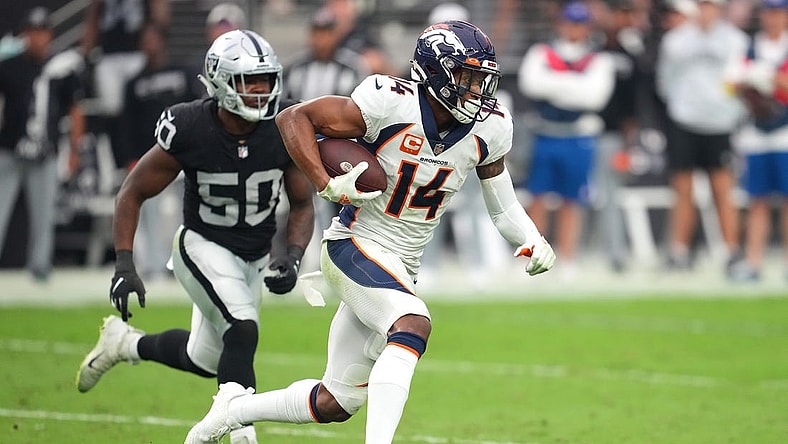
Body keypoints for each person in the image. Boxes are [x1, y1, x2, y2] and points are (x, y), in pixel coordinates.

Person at [185, 20, 556, 444]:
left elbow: (503, 205)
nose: (476, 91)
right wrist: (324, 183)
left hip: (402, 264)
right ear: (435, 73)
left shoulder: (492, 127)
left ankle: (232, 410)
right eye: (467, 78)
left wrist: (531, 237)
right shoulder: (388, 101)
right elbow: (293, 118)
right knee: (413, 323)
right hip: (355, 245)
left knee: (335, 402)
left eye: (481, 80)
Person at [75, 30, 315, 444]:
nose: (261, 91)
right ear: (221, 82)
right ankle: (238, 433)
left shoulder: (282, 126)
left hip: (252, 256)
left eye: (266, 79)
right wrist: (124, 263)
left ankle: (123, 344)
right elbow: (133, 191)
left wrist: (293, 257)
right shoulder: (190, 126)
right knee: (242, 328)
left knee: (204, 358)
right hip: (201, 245)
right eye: (249, 81)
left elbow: (303, 203)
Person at [517, 1, 615, 278]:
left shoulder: (599, 59)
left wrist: (555, 83)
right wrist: (574, 84)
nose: (574, 28)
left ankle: (568, 257)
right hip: (546, 132)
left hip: (578, 136)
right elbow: (531, 84)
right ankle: (533, 255)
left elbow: (595, 97)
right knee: (537, 197)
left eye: (579, 23)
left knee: (572, 199)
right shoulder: (542, 52)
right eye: (569, 22)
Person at [656, 0, 748, 273]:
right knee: (683, 189)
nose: (707, 11)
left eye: (712, 6)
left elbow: (739, 80)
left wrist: (727, 111)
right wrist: (682, 106)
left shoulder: (735, 39)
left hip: (720, 123)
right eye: (703, 5)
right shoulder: (676, 40)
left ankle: (732, 252)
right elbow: (665, 81)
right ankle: (679, 251)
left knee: (723, 188)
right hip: (684, 120)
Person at [0, 7, 86, 281]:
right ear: (25, 34)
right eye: (32, 32)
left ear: (49, 35)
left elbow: (75, 110)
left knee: (44, 215)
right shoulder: (8, 66)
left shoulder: (61, 69)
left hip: (45, 152)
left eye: (42, 32)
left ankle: (40, 267)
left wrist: (74, 149)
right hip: (9, 148)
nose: (37, 38)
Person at [280, 6, 368, 272]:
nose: (321, 40)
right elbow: (286, 111)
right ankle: (305, 262)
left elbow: (360, 113)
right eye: (317, 33)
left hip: (340, 149)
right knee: (302, 203)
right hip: (302, 150)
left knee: (341, 207)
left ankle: (341, 261)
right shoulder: (295, 69)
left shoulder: (352, 68)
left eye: (326, 33)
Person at [117, 24, 199, 280]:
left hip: (183, 154)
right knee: (150, 212)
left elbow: (196, 112)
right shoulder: (134, 83)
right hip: (150, 157)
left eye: (155, 38)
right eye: (146, 39)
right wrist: (130, 158)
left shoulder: (181, 73)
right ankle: (154, 265)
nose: (151, 44)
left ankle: (182, 263)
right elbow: (127, 124)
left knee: (186, 212)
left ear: (163, 41)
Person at [729, 0, 788, 281]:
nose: (773, 18)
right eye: (769, 12)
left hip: (785, 133)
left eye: (779, 13)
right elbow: (729, 84)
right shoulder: (748, 47)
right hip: (756, 131)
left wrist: (772, 78)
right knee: (757, 200)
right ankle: (754, 262)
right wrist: (746, 81)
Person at [80, 0, 170, 166]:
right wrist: (86, 51)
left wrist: (156, 38)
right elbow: (93, 14)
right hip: (109, 54)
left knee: (142, 104)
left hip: (136, 50)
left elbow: (159, 13)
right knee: (112, 110)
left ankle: (148, 153)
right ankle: (118, 159)